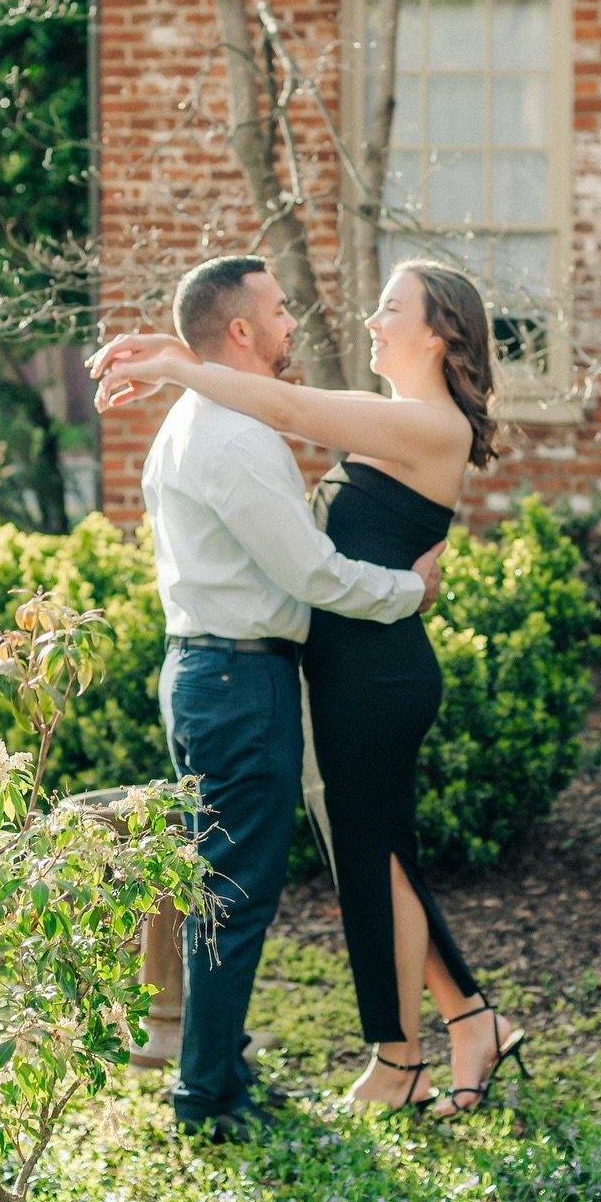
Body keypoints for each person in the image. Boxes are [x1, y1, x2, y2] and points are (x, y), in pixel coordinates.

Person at [93, 258, 525, 1119]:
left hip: (377, 673)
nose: (369, 318)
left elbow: (284, 406)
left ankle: (404, 1056)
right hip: (344, 667)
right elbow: (268, 396)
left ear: (438, 333)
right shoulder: (385, 418)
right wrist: (188, 358)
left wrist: (179, 362)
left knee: (375, 861)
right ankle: (468, 1022)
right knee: (373, 861)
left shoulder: (426, 423)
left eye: (390, 306)